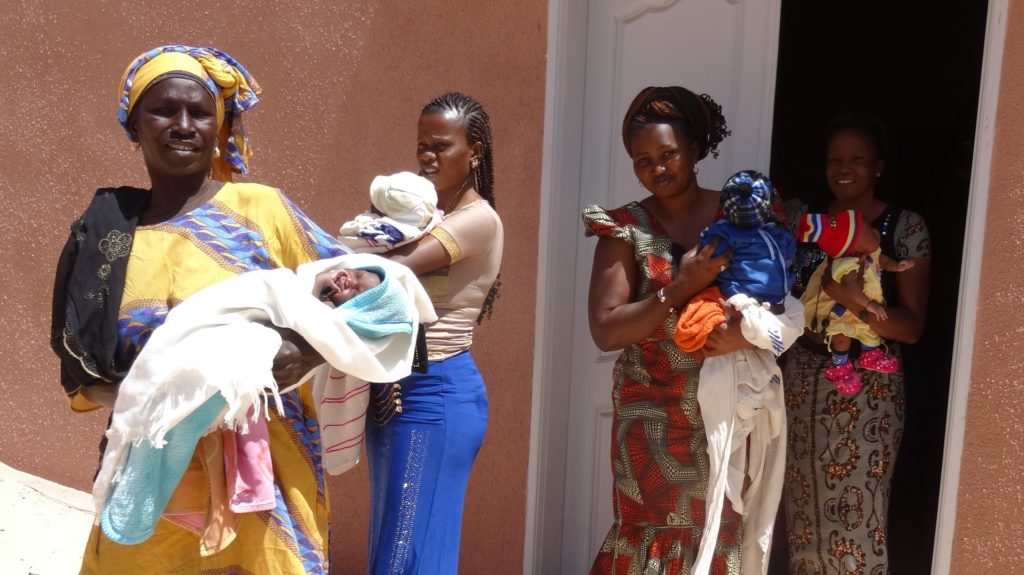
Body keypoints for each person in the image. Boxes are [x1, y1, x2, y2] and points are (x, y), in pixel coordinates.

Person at [50, 45, 351, 574]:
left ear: (220, 126)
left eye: (200, 112)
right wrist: (163, 400)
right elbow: (80, 375)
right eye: (164, 110)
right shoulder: (107, 236)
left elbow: (364, 294)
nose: (183, 125)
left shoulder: (262, 210)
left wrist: (303, 353)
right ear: (133, 126)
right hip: (151, 479)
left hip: (268, 476)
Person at [583, 84, 772, 574]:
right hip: (651, 418)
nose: (657, 169)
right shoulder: (626, 229)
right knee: (652, 531)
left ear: (695, 149)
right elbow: (605, 330)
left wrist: (747, 332)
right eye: (642, 160)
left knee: (719, 527)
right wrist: (680, 286)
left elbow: (779, 301)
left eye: (668, 155)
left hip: (728, 409)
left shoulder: (741, 216)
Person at [782, 112, 931, 574]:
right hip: (803, 379)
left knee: (856, 513)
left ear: (879, 166)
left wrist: (853, 302)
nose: (843, 168)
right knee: (802, 513)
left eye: (857, 159)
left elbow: (911, 327)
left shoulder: (903, 229)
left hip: (869, 387)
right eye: (834, 160)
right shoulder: (804, 223)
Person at [361, 92, 503, 574]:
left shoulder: (477, 221)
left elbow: (385, 270)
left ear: (475, 151)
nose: (427, 156)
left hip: (436, 394)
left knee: (411, 554)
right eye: (422, 144)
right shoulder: (420, 218)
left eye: (441, 146)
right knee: (391, 548)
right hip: (391, 392)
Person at [795, 209, 915, 395]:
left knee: (867, 330)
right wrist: (869, 305)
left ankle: (869, 355)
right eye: (869, 231)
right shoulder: (847, 264)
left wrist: (896, 266)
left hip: (860, 309)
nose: (875, 231)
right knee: (842, 338)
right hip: (842, 312)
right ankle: (840, 366)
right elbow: (849, 287)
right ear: (853, 248)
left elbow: (882, 260)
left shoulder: (870, 253)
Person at [337, 171, 442, 252]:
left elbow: (345, 236)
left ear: (383, 213)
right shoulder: (428, 226)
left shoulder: (369, 230)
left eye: (375, 202)